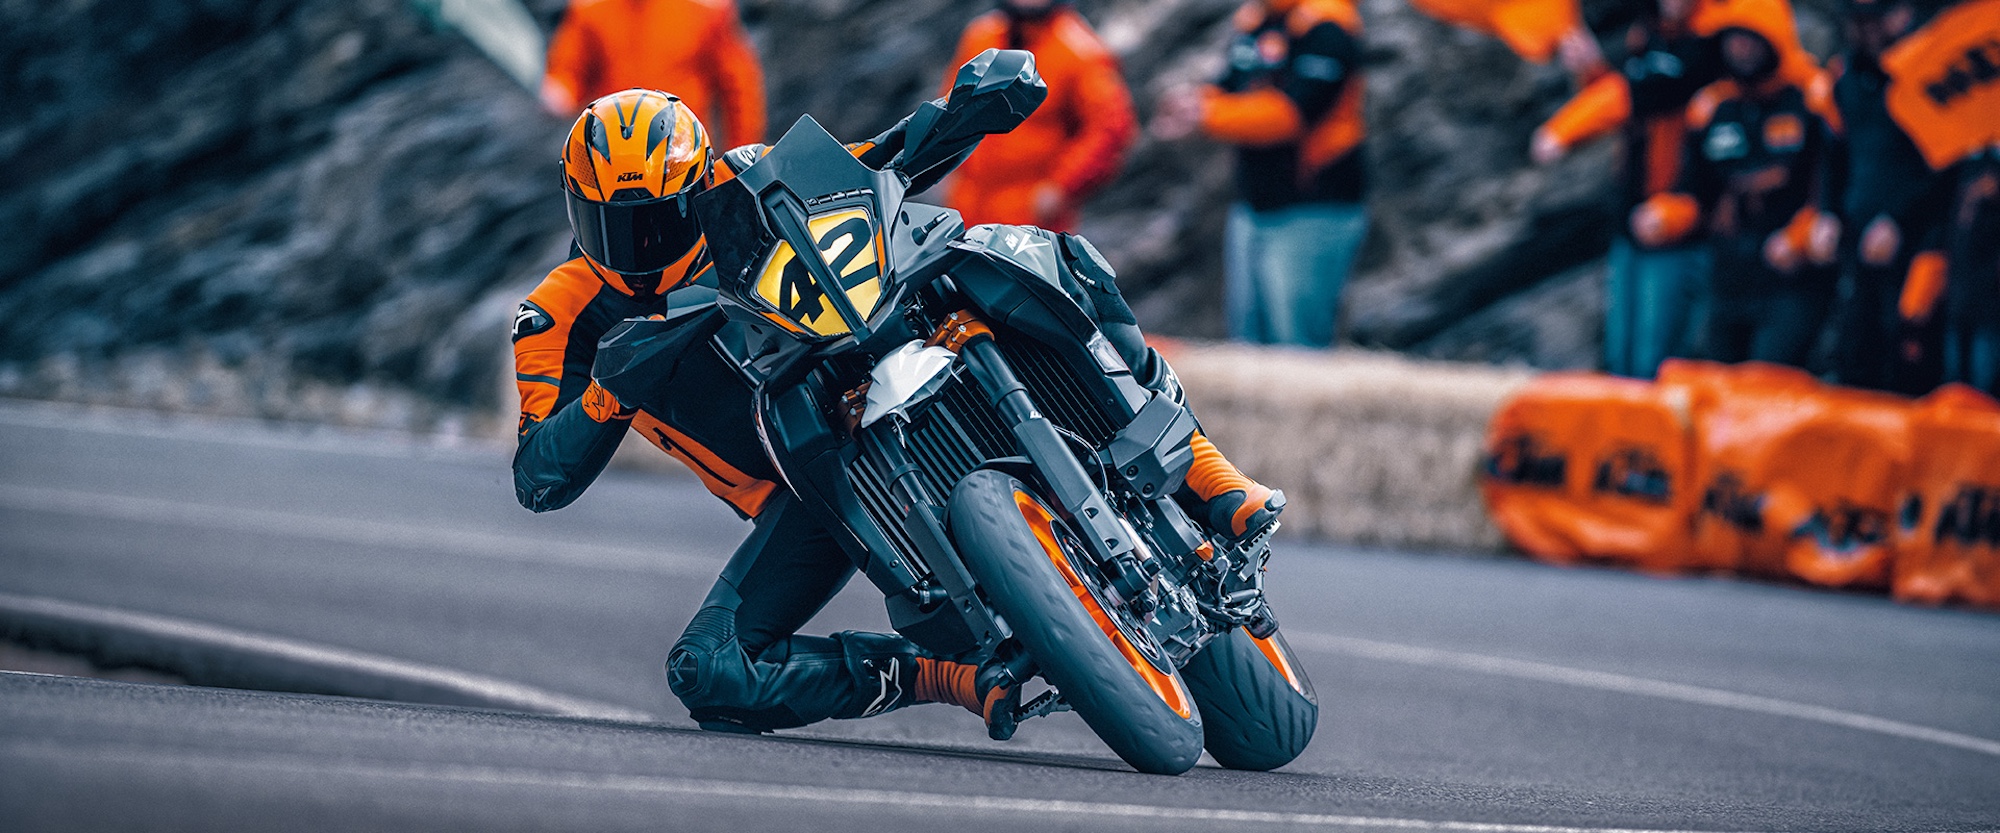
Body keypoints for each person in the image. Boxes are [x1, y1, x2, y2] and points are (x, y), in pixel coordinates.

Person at [513, 89, 1286, 738]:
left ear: (697, 183)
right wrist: (610, 390)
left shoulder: (745, 181)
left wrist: (968, 109)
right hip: (805, 485)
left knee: (1048, 257)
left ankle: (1218, 480)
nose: (639, 248)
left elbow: (874, 158)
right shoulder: (558, 316)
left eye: (658, 220)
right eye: (614, 224)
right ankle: (948, 675)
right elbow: (538, 475)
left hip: (878, 334)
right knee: (708, 670)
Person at [1630, 0, 1835, 368]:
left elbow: (1833, 191)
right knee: (1719, 382)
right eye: (1732, 40)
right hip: (1730, 278)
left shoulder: (1812, 100)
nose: (1740, 50)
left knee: (1767, 378)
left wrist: (1799, 240)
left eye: (1749, 39)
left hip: (1791, 278)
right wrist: (1664, 216)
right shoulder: (1712, 108)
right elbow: (1695, 193)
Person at [1154, 0, 1369, 349]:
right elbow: (1230, 85)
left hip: (1313, 209)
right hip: (1254, 205)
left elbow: (1291, 115)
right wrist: (1193, 102)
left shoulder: (1329, 27)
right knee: (1248, 340)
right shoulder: (1257, 21)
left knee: (1297, 344)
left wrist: (1207, 115)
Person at [1533, 0, 1722, 378]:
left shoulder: (1708, 44)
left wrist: (1565, 130)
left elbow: (1640, 94)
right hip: (1629, 215)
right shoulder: (1646, 34)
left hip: (1676, 226)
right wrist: (1590, 69)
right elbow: (1627, 101)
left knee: (1655, 360)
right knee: (1620, 353)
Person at [1816, 0, 1953, 395]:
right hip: (1858, 229)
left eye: (1873, 19)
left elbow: (1941, 165)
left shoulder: (1929, 71)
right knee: (1853, 349)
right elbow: (1835, 155)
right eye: (1859, 21)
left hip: (1918, 239)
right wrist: (1828, 212)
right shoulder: (1848, 78)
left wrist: (1899, 219)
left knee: (1907, 351)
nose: (1866, 29)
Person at [938, 0, 1137, 232]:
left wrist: (1060, 187)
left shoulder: (1080, 54)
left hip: (1027, 218)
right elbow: (950, 105)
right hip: (965, 204)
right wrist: (943, 167)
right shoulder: (982, 36)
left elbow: (1111, 128)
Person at [540, 0, 767, 148]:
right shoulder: (590, 9)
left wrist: (740, 154)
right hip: (614, 154)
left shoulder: (705, 9)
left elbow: (739, 88)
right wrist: (562, 89)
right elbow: (570, 66)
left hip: (683, 152)